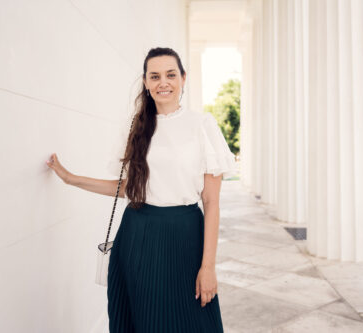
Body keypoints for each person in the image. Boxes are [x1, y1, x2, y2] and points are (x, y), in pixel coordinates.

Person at [45, 47, 238, 332]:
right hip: (137, 235)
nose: (164, 82)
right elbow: (129, 188)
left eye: (171, 75)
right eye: (155, 76)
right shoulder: (136, 127)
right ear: (146, 82)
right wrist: (71, 179)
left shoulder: (202, 125)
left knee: (193, 321)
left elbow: (211, 202)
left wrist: (208, 266)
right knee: (142, 319)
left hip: (185, 237)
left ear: (183, 78)